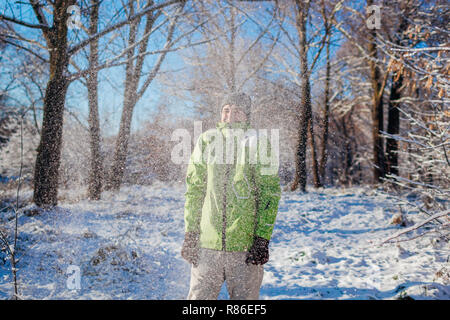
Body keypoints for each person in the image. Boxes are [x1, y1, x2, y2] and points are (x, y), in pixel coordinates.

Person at [181, 92, 281, 300]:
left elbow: (269, 193)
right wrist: (191, 233)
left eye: (237, 111)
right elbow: (195, 189)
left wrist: (262, 238)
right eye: (226, 110)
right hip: (207, 246)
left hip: (245, 249)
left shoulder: (258, 143)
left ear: (247, 116)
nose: (230, 115)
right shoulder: (207, 140)